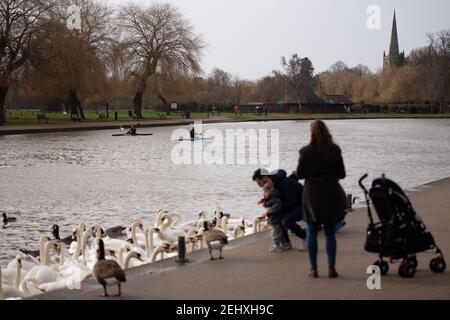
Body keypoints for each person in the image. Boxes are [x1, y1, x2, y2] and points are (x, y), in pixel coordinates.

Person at [296, 120, 347, 279]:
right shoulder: (335, 150)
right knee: (330, 231)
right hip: (331, 190)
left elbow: (300, 174)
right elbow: (342, 174)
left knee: (311, 230)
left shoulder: (305, 152)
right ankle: (331, 268)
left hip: (312, 193)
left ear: (311, 133)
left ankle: (313, 268)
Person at [253, 169, 307, 250]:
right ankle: (286, 243)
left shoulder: (284, 184)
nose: (260, 186)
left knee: (286, 221)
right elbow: (275, 197)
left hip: (304, 205)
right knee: (278, 218)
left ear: (265, 177)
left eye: (260, 183)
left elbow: (292, 201)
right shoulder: (272, 184)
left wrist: (274, 208)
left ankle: (306, 237)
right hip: (293, 205)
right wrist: (264, 200)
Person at [260, 183, 286, 253]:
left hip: (276, 219)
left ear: (271, 191)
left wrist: (267, 213)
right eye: (264, 191)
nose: (264, 193)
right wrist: (262, 200)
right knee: (277, 231)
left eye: (265, 191)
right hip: (273, 219)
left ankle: (277, 246)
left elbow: (275, 209)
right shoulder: (271, 197)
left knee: (275, 232)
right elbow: (267, 201)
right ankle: (282, 244)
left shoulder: (276, 199)